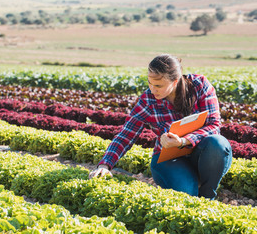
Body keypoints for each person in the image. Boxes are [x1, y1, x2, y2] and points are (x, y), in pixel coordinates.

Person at [89, 54, 232, 199]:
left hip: (201, 153)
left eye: (158, 85)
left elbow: (214, 125)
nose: (152, 89)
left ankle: (208, 196)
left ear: (175, 81)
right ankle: (190, 182)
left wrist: (183, 141)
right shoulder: (148, 101)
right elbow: (126, 135)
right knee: (187, 195)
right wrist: (105, 165)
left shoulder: (199, 86)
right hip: (168, 159)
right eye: (149, 83)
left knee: (217, 143)